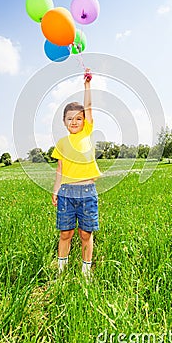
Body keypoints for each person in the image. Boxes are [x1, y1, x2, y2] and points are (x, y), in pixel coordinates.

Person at [51, 68, 101, 279]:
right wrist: (55, 190)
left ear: (84, 122)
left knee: (85, 233)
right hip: (66, 193)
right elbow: (60, 169)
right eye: (70, 119)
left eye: (78, 119)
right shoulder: (62, 143)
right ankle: (61, 270)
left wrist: (87, 85)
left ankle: (86, 271)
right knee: (65, 233)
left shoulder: (87, 133)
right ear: (64, 121)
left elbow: (88, 107)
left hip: (87, 191)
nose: (74, 122)